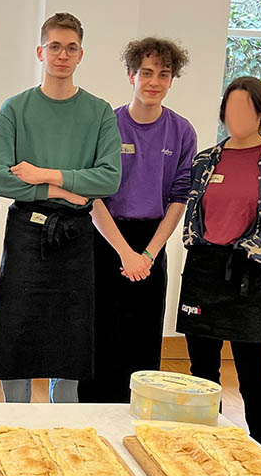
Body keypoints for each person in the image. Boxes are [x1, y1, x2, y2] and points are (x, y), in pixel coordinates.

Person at [0, 12, 122, 403]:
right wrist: (63, 189)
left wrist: (45, 175)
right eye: (55, 47)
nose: (62, 55)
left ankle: (66, 423)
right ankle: (15, 420)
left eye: (71, 48)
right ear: (40, 52)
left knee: (70, 335)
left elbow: (109, 179)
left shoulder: (99, 111)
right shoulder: (15, 108)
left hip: (75, 235)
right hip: (26, 233)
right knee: (17, 331)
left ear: (81, 54)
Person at [176, 77, 261, 451]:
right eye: (230, 108)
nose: (236, 116)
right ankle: (206, 444)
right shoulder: (205, 161)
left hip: (249, 275)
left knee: (253, 375)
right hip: (203, 271)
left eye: (245, 109)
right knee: (202, 374)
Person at [78, 36, 196, 403]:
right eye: (146, 73)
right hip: (107, 239)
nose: (154, 82)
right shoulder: (107, 125)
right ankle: (93, 417)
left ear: (172, 80)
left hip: (151, 243)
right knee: (101, 336)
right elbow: (92, 195)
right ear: (131, 75)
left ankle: (137, 416)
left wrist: (147, 255)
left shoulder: (182, 131)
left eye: (163, 74)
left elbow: (179, 197)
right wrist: (124, 253)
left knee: (143, 339)